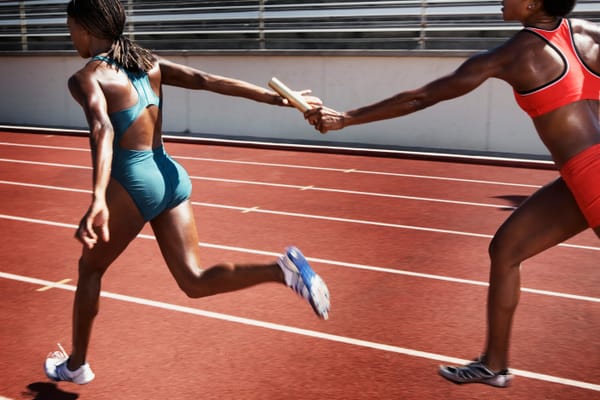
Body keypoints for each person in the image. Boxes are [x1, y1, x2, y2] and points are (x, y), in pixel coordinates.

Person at [305, 0, 599, 388]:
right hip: (578, 177)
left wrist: (345, 118)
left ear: (532, 3)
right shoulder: (589, 34)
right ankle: (494, 365)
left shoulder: (513, 55)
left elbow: (421, 97)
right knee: (506, 249)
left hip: (590, 175)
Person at [44, 0, 330, 385]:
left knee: (90, 268)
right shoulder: (149, 63)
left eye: (70, 28)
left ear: (85, 27)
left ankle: (77, 365)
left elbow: (102, 129)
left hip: (134, 180)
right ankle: (282, 270)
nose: (70, 36)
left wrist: (98, 197)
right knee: (193, 280)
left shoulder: (87, 77)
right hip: (170, 175)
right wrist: (277, 98)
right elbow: (205, 79)